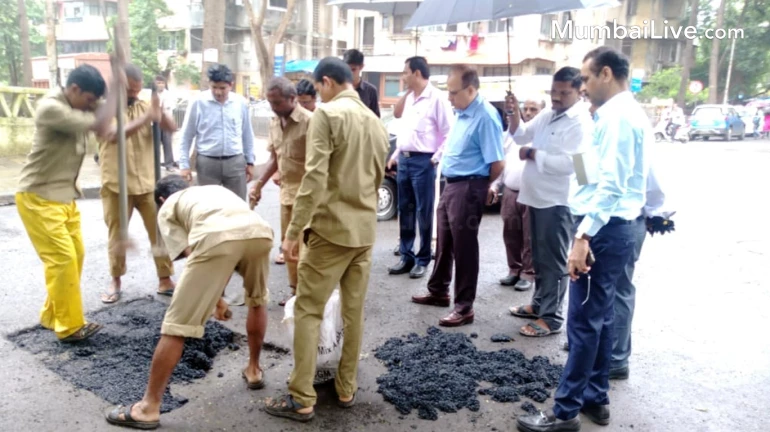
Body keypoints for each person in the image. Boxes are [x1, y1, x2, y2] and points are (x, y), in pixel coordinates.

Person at [517, 46, 649, 432]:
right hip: (613, 226)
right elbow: (594, 173)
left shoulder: (618, 118)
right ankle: (596, 399)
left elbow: (610, 184)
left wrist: (583, 235)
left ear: (606, 73)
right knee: (601, 320)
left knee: (583, 323)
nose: (584, 87)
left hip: (604, 231)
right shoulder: (614, 115)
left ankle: (565, 412)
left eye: (588, 78)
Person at [264, 56, 389, 422]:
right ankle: (346, 387)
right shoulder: (376, 124)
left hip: (330, 230)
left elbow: (314, 179)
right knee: (353, 312)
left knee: (307, 309)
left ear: (328, 82)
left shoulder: (328, 116)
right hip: (364, 232)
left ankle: (301, 396)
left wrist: (291, 233)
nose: (317, 97)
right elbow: (378, 179)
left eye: (317, 89)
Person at [105, 176, 274, 430]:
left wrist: (215, 299)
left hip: (217, 239)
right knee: (258, 300)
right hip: (260, 233)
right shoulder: (214, 190)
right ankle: (254, 370)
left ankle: (148, 407)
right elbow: (230, 244)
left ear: (161, 199)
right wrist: (217, 298)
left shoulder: (169, 206)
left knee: (176, 325)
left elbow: (198, 253)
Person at [16, 64, 120, 342]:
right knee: (62, 260)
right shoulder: (51, 107)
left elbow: (106, 118)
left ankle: (53, 315)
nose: (91, 105)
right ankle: (71, 327)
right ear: (74, 89)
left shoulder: (79, 103)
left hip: (64, 197)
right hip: (38, 196)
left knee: (76, 255)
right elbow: (97, 122)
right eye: (88, 99)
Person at [410, 64, 505, 327]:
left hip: (468, 187)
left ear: (471, 89)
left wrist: (483, 187)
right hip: (451, 185)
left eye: (453, 93)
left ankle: (464, 307)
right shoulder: (463, 112)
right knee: (444, 241)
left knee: (464, 248)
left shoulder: (485, 116)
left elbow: (497, 162)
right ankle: (439, 290)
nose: (449, 98)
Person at [507, 67, 594, 338]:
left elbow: (575, 166)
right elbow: (520, 135)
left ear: (579, 92)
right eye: (553, 91)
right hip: (536, 196)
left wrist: (533, 154)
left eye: (563, 93)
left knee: (553, 261)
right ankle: (539, 305)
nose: (556, 97)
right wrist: (513, 112)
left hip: (558, 202)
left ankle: (552, 318)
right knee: (540, 258)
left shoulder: (580, 122)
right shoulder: (548, 113)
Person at [98, 64, 176, 304]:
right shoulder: (103, 110)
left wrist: (159, 113)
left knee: (160, 233)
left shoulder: (145, 106)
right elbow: (114, 134)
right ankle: (116, 279)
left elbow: (171, 128)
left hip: (147, 184)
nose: (133, 94)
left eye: (137, 90)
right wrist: (146, 119)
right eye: (129, 90)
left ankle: (165, 278)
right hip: (116, 185)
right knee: (117, 235)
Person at [387, 56, 454, 279]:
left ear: (416, 73)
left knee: (423, 212)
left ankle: (423, 258)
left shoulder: (437, 99)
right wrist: (395, 155)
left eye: (405, 72)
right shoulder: (409, 99)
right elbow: (401, 124)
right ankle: (406, 256)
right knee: (404, 210)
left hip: (424, 161)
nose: (402, 76)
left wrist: (435, 158)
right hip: (404, 160)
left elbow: (449, 133)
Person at [249, 77, 312, 307]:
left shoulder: (311, 122)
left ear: (292, 99)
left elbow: (320, 165)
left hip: (309, 199)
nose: (273, 108)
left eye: (277, 103)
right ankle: (295, 293)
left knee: (306, 251)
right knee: (289, 249)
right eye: (270, 103)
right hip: (287, 195)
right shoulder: (275, 122)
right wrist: (259, 184)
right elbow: (275, 158)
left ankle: (308, 296)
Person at [491, 96, 546, 292]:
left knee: (529, 236)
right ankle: (514, 270)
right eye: (527, 109)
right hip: (510, 191)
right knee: (510, 234)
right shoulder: (514, 134)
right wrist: (495, 185)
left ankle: (528, 273)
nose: (529, 113)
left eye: (534, 109)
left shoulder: (545, 134)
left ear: (542, 113)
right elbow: (502, 161)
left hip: (533, 193)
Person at [178, 63, 256, 200]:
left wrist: (250, 162)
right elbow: (186, 136)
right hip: (207, 164)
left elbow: (247, 134)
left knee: (237, 207)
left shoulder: (240, 103)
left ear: (230, 85)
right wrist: (184, 166)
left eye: (222, 88)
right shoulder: (198, 103)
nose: (218, 92)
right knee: (208, 207)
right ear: (209, 84)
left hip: (235, 162)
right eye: (214, 87)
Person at [343, 49, 380, 117]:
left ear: (361, 67)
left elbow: (376, 118)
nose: (350, 73)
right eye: (347, 69)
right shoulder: (338, 89)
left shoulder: (370, 91)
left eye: (353, 69)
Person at [154, 74, 177, 172]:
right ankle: (154, 164)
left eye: (162, 83)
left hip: (166, 122)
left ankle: (169, 164)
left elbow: (167, 108)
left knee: (167, 143)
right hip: (154, 122)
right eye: (158, 83)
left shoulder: (168, 95)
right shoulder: (152, 94)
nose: (160, 85)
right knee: (155, 144)